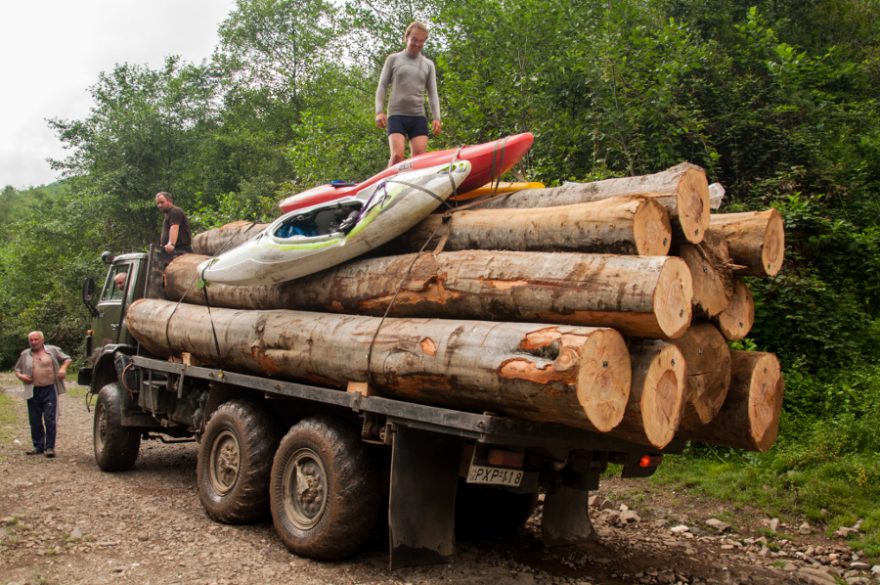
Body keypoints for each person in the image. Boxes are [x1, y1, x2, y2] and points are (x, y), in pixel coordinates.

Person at [375, 21, 442, 167]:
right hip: (397, 115)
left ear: (425, 41)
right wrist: (379, 111)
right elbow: (382, 85)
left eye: (421, 41)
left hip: (418, 116)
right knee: (397, 156)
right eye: (414, 40)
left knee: (419, 160)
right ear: (407, 38)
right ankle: (386, 185)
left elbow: (432, 93)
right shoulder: (393, 59)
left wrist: (437, 118)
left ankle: (414, 189)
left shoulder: (428, 64)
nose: (417, 44)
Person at [14, 331, 71, 458]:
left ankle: (50, 447)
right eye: (31, 340)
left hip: (49, 389)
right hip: (33, 390)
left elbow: (67, 358)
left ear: (42, 340)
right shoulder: (25, 354)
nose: (33, 342)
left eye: (36, 340)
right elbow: (17, 369)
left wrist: (63, 368)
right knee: (34, 420)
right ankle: (38, 446)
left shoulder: (52, 350)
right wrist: (21, 376)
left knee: (50, 419)